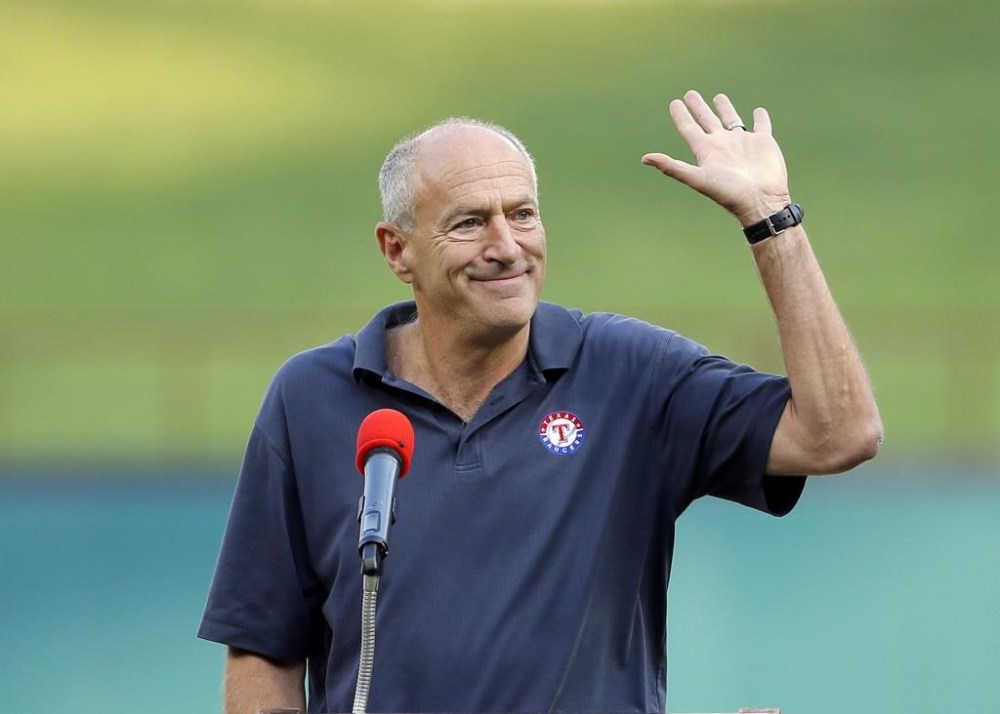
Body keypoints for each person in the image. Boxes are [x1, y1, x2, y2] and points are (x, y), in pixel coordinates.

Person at [199, 90, 882, 714]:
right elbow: (263, 648)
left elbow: (838, 434)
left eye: (522, 214)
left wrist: (772, 220)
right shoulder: (310, 397)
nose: (507, 246)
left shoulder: (628, 372)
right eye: (469, 223)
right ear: (396, 250)